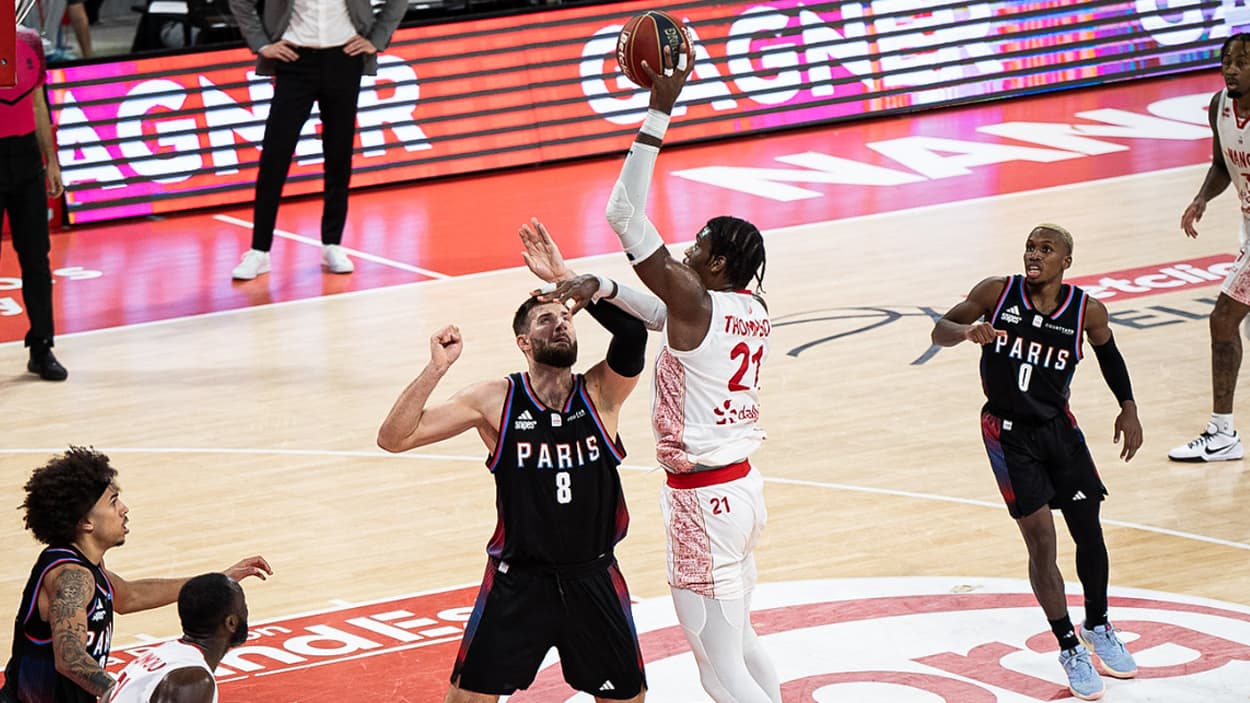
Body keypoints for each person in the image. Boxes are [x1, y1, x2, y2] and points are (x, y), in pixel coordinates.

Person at [529, 52, 781, 703]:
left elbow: (622, 215)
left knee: (717, 667)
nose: (685, 250)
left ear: (719, 261)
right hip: (741, 490)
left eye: (697, 246)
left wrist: (659, 109)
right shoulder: (746, 308)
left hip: (706, 500)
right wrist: (591, 281)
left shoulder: (698, 303)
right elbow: (649, 310)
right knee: (743, 640)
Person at [376, 219, 650, 703]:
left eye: (565, 317)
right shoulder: (496, 400)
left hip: (593, 576)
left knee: (628, 700)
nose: (560, 322)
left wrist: (567, 280)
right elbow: (395, 438)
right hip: (518, 581)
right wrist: (435, 370)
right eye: (545, 320)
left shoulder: (601, 394)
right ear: (524, 342)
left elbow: (631, 335)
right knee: (464, 701)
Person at [931, 224, 1143, 701]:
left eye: (1046, 250)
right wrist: (967, 330)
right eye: (1030, 247)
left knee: (1089, 530)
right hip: (1007, 435)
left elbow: (1110, 355)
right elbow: (939, 329)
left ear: (1065, 261)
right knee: (1041, 541)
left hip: (1059, 429)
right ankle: (1068, 644)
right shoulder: (996, 292)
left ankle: (1099, 623)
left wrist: (1127, 406)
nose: (1034, 255)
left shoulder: (1086, 310)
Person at [1, 447, 273, 703]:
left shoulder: (89, 567)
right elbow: (69, 657)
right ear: (86, 522)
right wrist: (118, 692)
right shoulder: (71, 576)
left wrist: (215, 583)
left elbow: (130, 596)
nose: (124, 508)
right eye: (113, 501)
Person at [226, 0, 407, 281]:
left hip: (344, 59)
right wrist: (261, 43)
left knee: (338, 156)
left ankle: (332, 244)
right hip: (293, 61)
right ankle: (259, 250)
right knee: (275, 157)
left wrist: (377, 39)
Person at [1172, 32, 1250, 462]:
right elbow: (1222, 163)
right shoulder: (1219, 106)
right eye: (1227, 60)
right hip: (1247, 227)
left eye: (1242, 62)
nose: (1231, 68)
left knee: (1223, 321)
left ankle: (1222, 434)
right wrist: (1202, 198)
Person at [0, 27, 67, 381]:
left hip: (26, 159)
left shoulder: (28, 41)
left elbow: (39, 102)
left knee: (37, 259)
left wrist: (51, 161)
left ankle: (42, 347)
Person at [102, 573, 249, 703]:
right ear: (231, 623)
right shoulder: (192, 680)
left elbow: (108, 696)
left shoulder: (164, 654)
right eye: (244, 607)